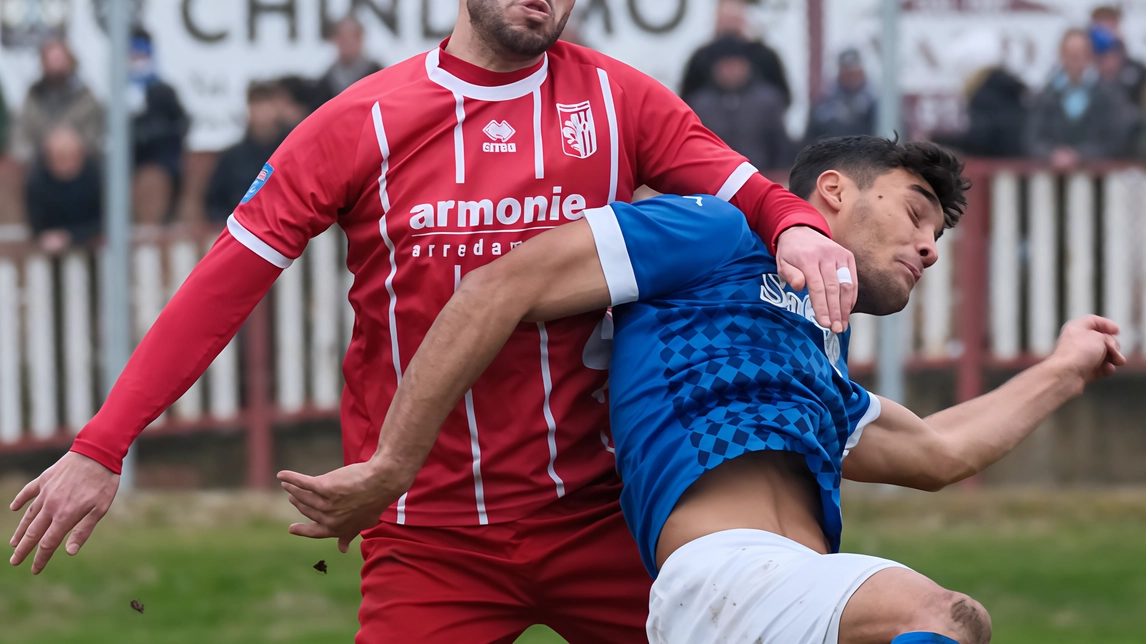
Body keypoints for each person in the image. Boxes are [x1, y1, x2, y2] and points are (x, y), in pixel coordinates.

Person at [7, 2, 857, 642]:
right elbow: (221, 286)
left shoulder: (616, 99)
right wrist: (102, 444)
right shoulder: (357, 123)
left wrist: (799, 228)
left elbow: (750, 191)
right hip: (429, 536)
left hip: (604, 515)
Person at [286, 136, 1125, 643]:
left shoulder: (814, 369)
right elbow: (497, 288)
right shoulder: (719, 230)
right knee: (947, 621)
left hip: (770, 605)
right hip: (722, 580)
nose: (927, 246)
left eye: (936, 236)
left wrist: (1062, 369)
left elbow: (941, 451)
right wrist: (392, 463)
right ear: (831, 193)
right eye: (914, 212)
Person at [1027, 28, 1135, 168]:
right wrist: (1052, 154)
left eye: (1080, 53)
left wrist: (1080, 155)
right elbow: (1033, 137)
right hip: (1054, 178)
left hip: (1099, 178)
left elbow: (1116, 138)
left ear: (1090, 55)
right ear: (1061, 55)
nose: (1075, 59)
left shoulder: (1111, 94)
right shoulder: (1047, 95)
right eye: (1071, 54)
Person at [685, 36, 792, 171]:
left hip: (761, 177)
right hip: (711, 180)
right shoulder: (699, 104)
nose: (731, 71)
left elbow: (780, 147)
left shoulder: (767, 101)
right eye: (726, 65)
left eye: (736, 65)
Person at [127, 28, 190, 225]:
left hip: (163, 159)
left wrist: (156, 132)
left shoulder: (163, 92)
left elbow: (182, 123)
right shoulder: (120, 93)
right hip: (130, 162)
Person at [10, 39, 104, 167]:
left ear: (70, 61)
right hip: (39, 166)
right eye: (50, 59)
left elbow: (95, 135)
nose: (55, 64)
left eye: (59, 59)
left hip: (81, 168)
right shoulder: (34, 95)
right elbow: (21, 134)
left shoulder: (85, 97)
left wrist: (68, 145)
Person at [204, 82, 288, 224]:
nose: (261, 111)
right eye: (256, 104)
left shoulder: (289, 148)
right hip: (244, 229)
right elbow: (215, 202)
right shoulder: (232, 157)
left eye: (265, 103)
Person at [681, 0, 791, 107]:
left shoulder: (766, 57)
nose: (730, 27)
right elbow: (686, 100)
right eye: (726, 20)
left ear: (744, 20)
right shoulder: (701, 58)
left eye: (734, 20)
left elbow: (784, 98)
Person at [25, 126, 102, 253]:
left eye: (72, 156)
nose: (66, 163)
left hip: (96, 252)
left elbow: (107, 219)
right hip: (53, 256)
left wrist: (70, 236)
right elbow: (37, 226)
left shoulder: (97, 177)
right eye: (60, 157)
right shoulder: (37, 182)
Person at [805, 48, 877, 145]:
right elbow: (809, 141)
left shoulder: (875, 105)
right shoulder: (823, 106)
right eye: (847, 72)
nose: (851, 77)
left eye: (854, 72)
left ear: (861, 72)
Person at [319, 17, 384, 102]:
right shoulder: (327, 79)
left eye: (349, 38)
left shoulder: (376, 73)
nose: (346, 45)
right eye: (342, 39)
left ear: (360, 39)